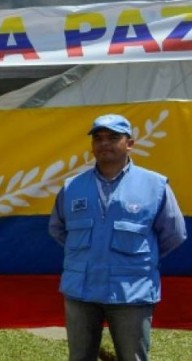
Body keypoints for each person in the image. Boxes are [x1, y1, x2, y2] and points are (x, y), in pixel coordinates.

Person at [48, 114, 187, 361]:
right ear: (92, 145)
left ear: (130, 143)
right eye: (98, 138)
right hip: (81, 292)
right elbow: (59, 230)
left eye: (113, 138)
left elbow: (173, 234)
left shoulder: (154, 186)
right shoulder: (72, 187)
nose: (105, 144)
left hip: (131, 293)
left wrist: (133, 262)